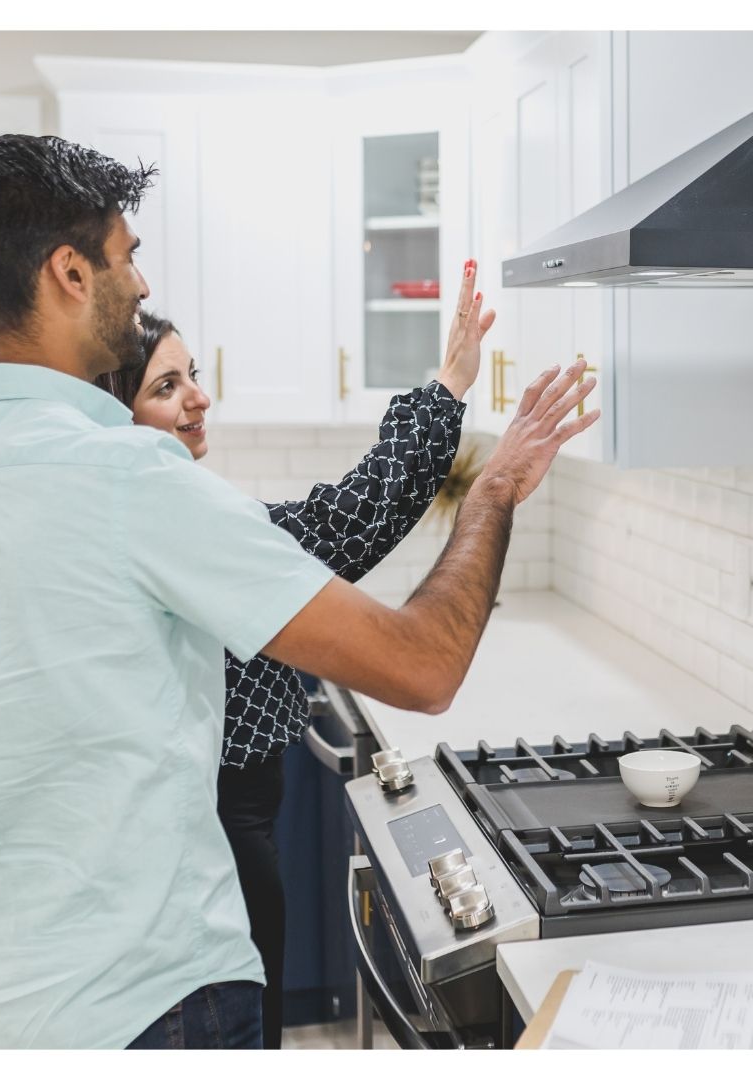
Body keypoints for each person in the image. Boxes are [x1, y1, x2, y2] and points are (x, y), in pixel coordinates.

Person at [0, 133, 598, 1050]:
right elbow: (426, 665)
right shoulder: (131, 478)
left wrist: (2, 966)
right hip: (151, 1008)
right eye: (125, 257)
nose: (138, 286)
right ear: (69, 274)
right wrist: (490, 491)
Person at [95, 274, 486, 1047]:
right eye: (167, 386)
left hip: (210, 831)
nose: (198, 399)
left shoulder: (146, 520)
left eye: (193, 376)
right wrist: (450, 385)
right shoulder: (184, 530)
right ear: (118, 416)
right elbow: (356, 515)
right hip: (220, 835)